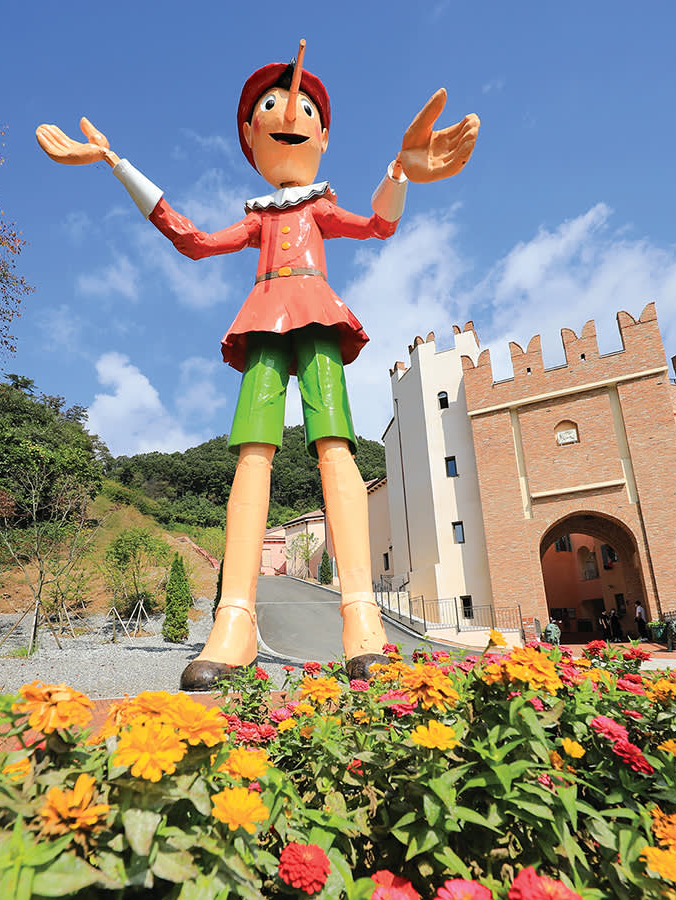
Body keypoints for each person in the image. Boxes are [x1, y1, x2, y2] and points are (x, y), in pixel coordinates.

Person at [37, 42, 478, 689]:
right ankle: (235, 618)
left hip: (317, 313)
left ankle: (362, 618)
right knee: (252, 455)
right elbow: (191, 239)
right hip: (265, 317)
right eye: (271, 105)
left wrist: (401, 170)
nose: (287, 114)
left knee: (336, 448)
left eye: (301, 106)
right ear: (251, 136)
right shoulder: (259, 217)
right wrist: (115, 162)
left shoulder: (320, 208)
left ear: (322, 135)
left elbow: (379, 225)